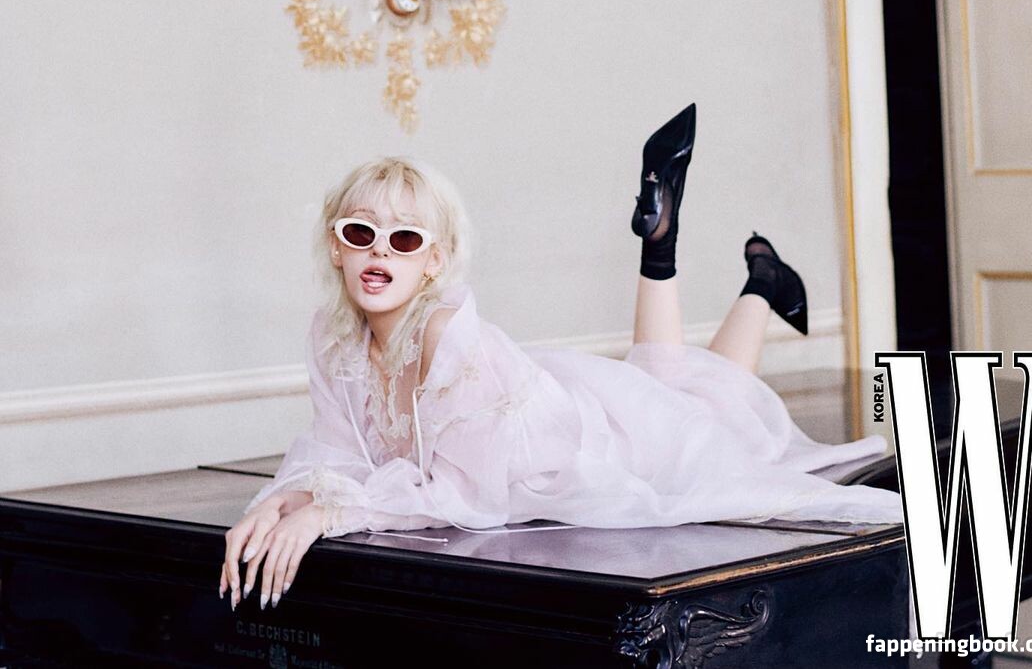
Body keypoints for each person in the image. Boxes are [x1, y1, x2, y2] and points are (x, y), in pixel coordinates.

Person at [220, 107, 904, 612]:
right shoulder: (333, 336)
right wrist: (285, 500)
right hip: (571, 399)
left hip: (611, 444)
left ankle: (755, 281)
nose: (379, 251)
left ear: (434, 262)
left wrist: (330, 513)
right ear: (335, 245)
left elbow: (465, 494)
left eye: (404, 239)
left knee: (715, 417)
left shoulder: (448, 332)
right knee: (693, 391)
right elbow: (337, 454)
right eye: (360, 232)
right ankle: (757, 278)